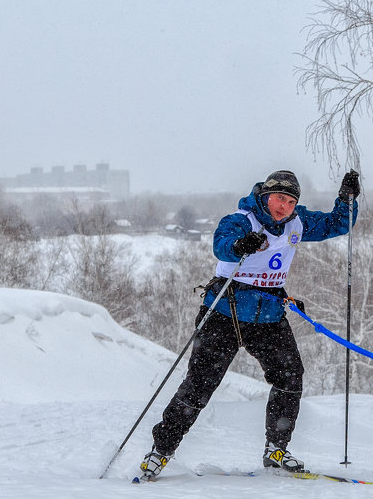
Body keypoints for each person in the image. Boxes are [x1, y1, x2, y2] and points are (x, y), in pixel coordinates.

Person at [138, 169, 360, 480]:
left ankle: (276, 449)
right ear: (265, 196)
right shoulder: (243, 219)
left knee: (290, 376)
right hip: (224, 313)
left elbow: (337, 224)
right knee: (200, 385)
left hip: (268, 316)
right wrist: (242, 244)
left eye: (291, 201)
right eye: (278, 198)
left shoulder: (298, 222)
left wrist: (347, 200)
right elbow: (222, 243)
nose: (284, 206)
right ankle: (161, 450)